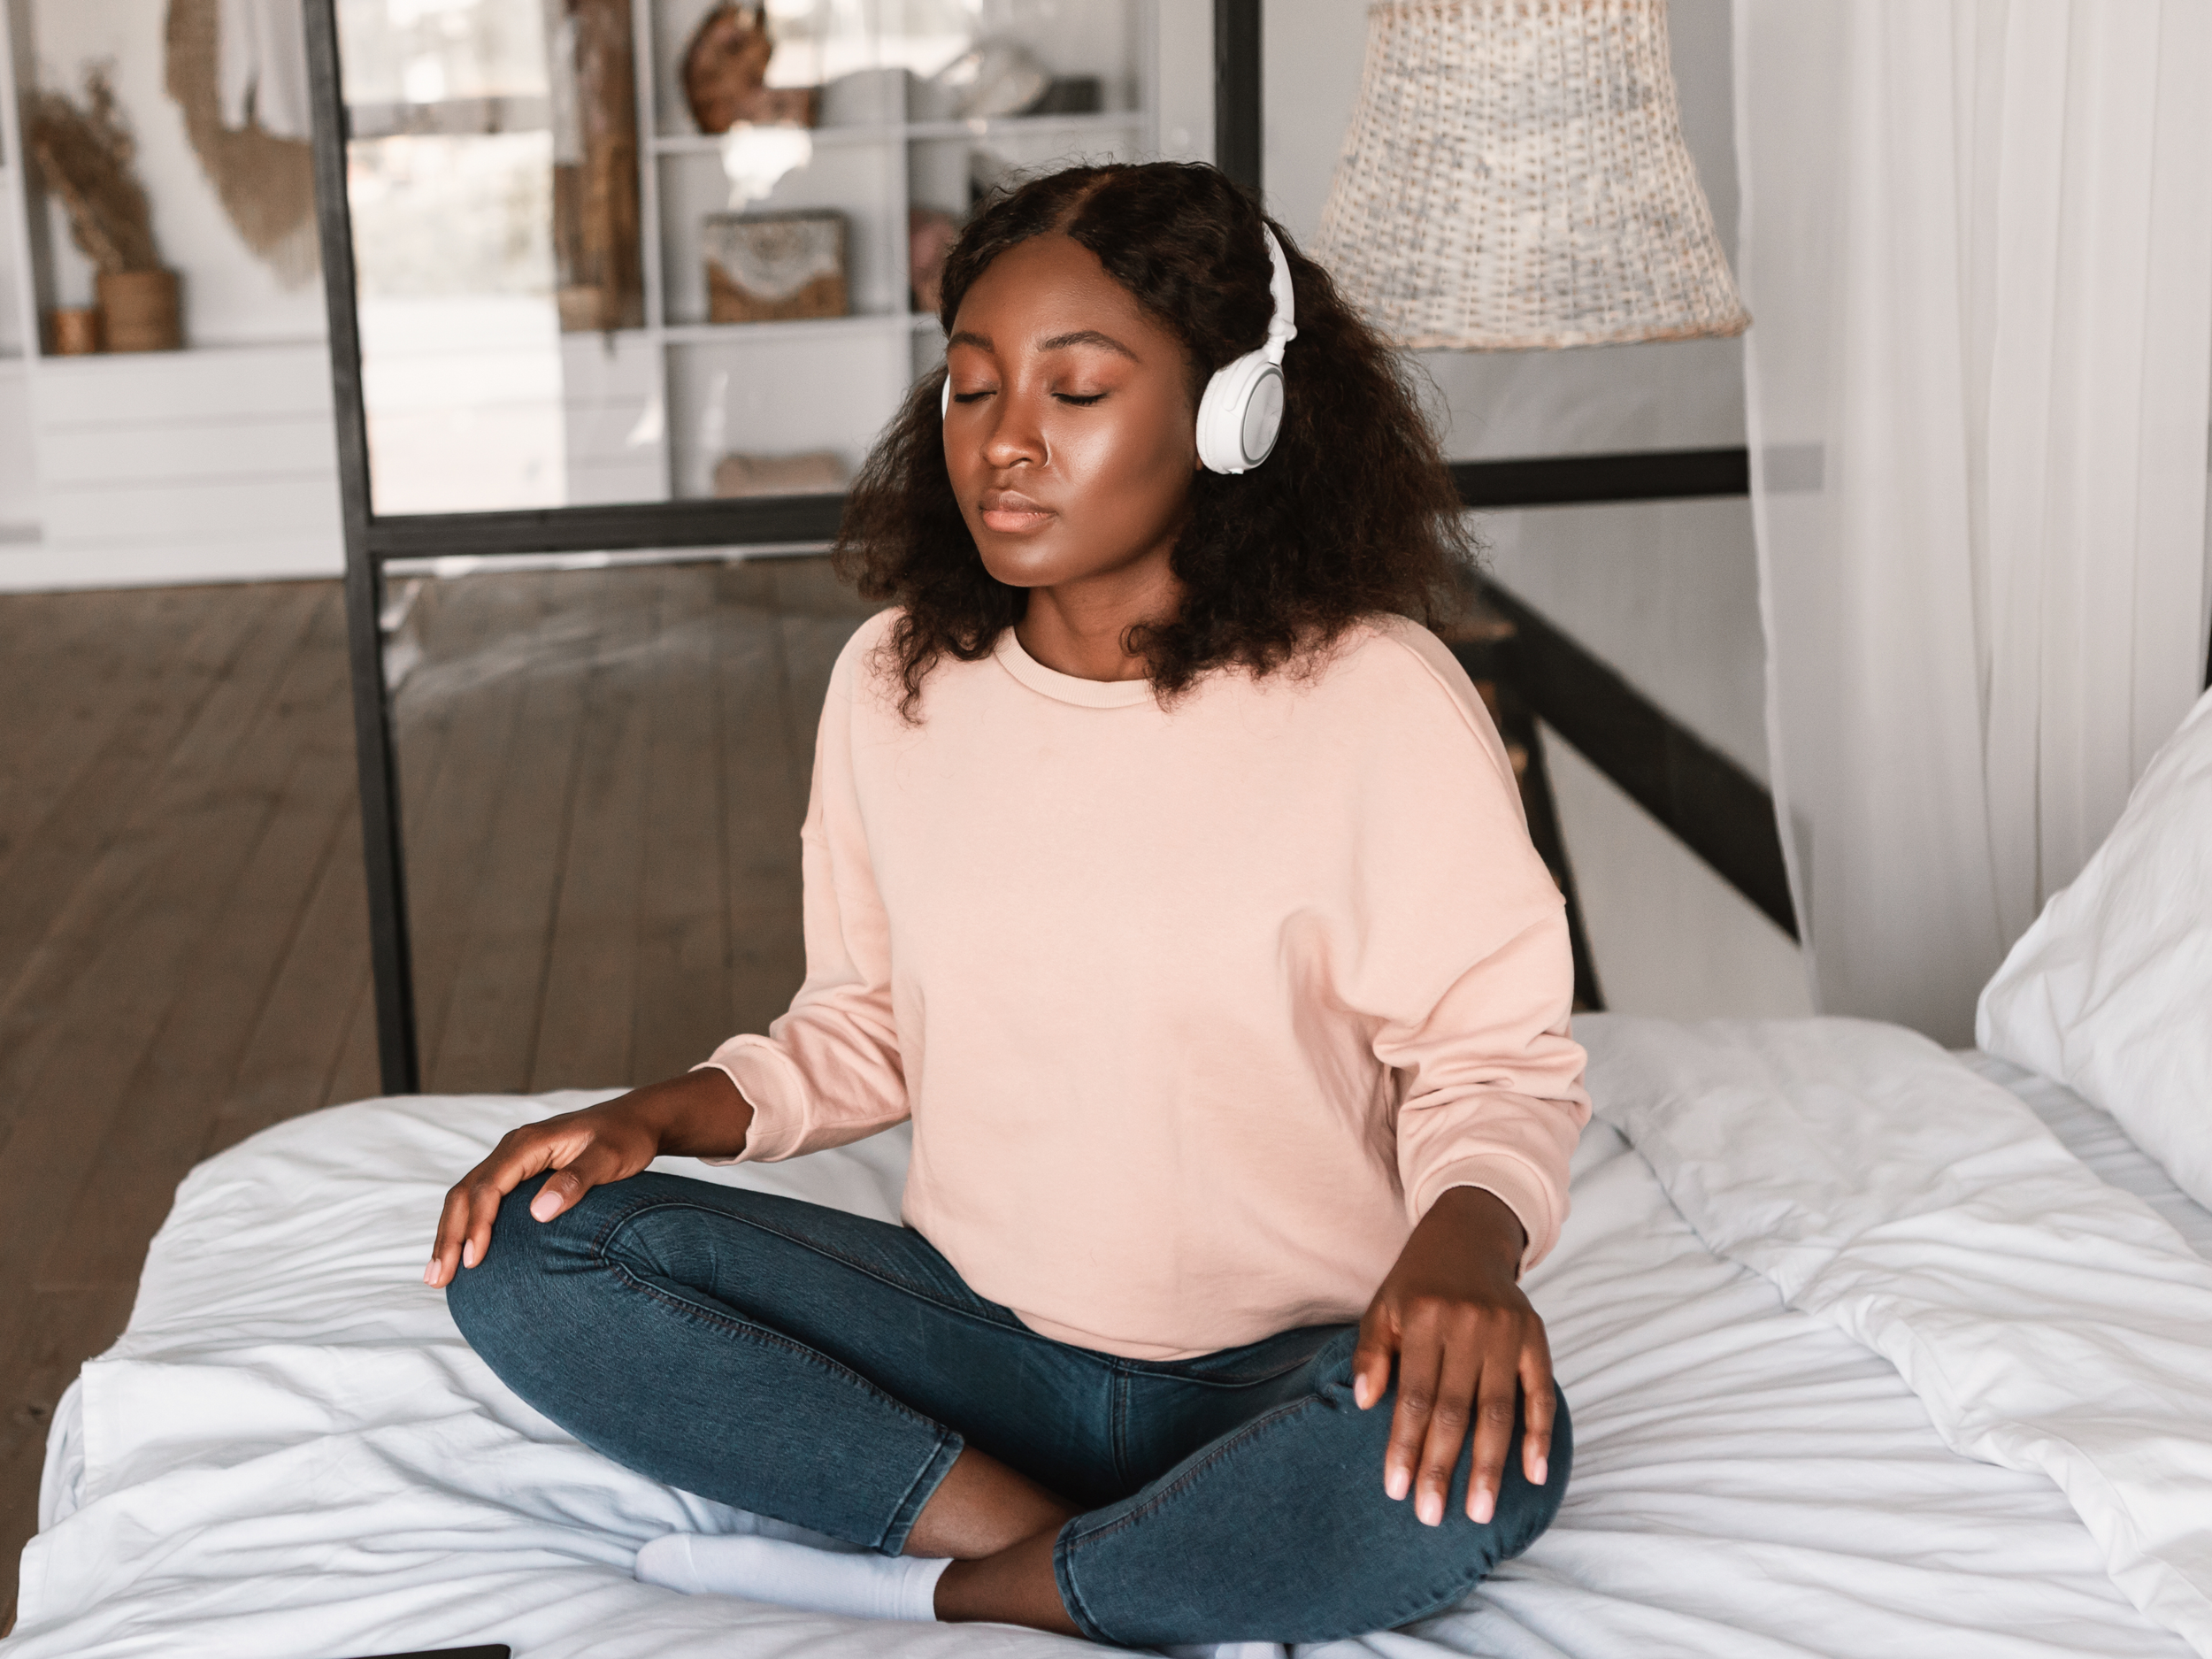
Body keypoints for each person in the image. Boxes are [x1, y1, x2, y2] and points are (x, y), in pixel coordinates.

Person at [428, 160, 1590, 1652]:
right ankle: (1095, 1555)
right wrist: (656, 1115)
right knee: (527, 1250)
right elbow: (868, 1022)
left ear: (1234, 412)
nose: (1006, 442)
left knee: (1493, 1464)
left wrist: (1465, 1253)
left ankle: (954, 1585)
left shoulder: (1376, 698)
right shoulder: (895, 679)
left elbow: (1494, 1064)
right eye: (971, 387)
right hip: (977, 1343)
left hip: (1284, 1368)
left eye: (1077, 389)